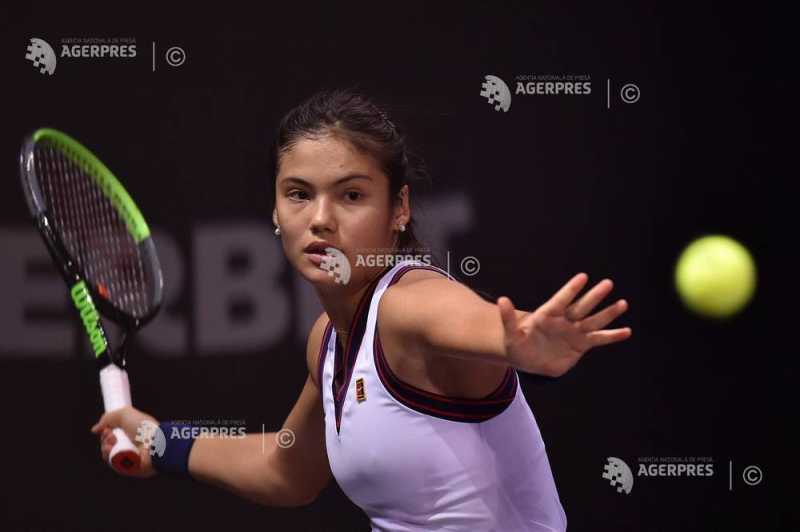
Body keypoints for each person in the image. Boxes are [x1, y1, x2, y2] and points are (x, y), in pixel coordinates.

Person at [91, 88, 632, 531]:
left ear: (399, 208)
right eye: (298, 194)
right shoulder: (328, 339)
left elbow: (465, 319)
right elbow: (286, 468)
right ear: (275, 210)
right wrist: (160, 442)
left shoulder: (407, 306)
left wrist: (517, 343)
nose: (320, 219)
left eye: (351, 196)